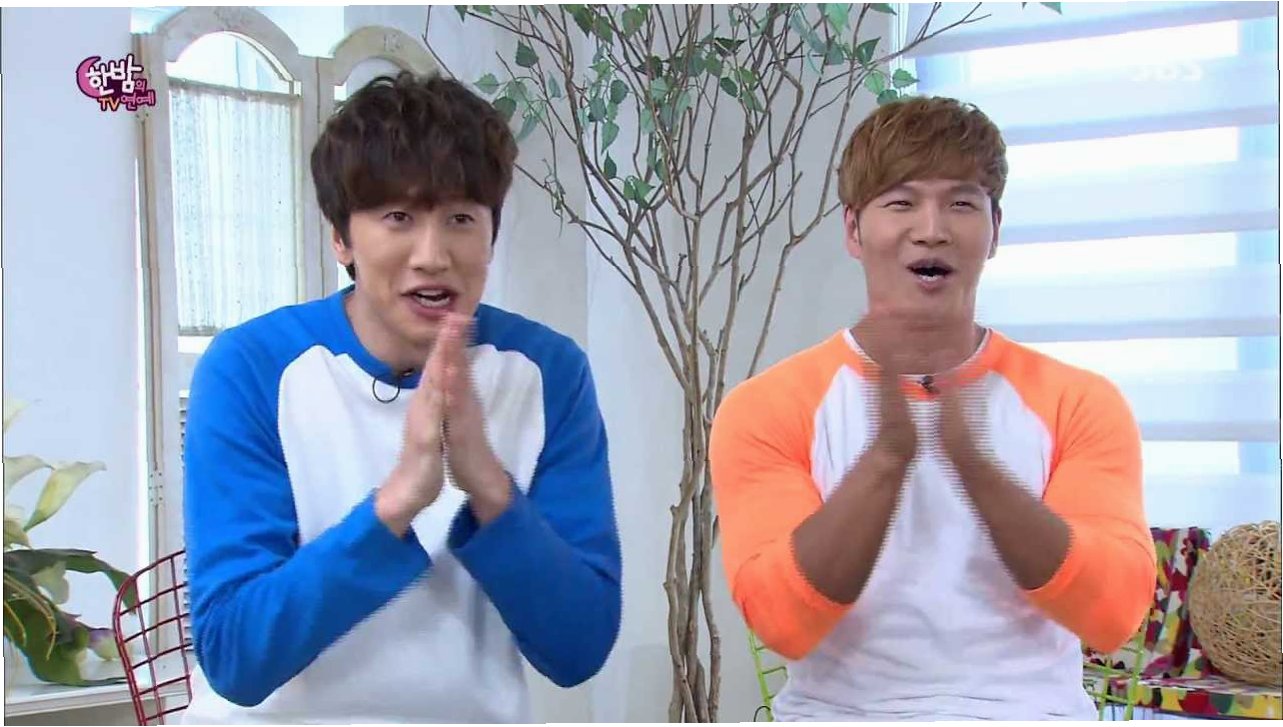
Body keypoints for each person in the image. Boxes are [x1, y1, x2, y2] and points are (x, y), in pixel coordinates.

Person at [181, 71, 621, 723]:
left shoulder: (548, 372)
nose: (432, 255)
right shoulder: (252, 367)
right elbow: (236, 658)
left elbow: (578, 649)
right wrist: (395, 504)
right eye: (398, 218)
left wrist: (489, 487)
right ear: (341, 237)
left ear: (491, 233)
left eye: (460, 218)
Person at [709, 96, 1155, 721]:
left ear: (995, 230)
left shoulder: (1080, 402)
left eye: (961, 203)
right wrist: (886, 461)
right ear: (853, 230)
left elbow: (1112, 615)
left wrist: (978, 470)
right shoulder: (766, 408)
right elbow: (783, 623)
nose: (932, 229)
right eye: (901, 202)